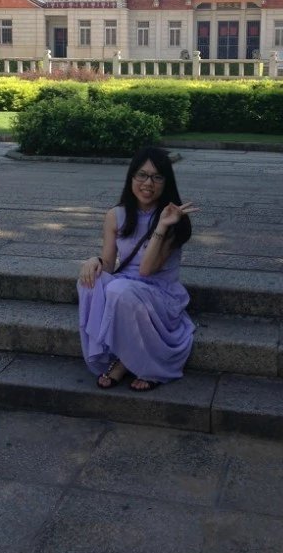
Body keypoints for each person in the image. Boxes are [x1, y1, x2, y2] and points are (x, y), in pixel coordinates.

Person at [77, 146, 197, 392]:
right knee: (90, 282)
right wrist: (93, 260)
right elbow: (108, 264)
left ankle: (143, 364)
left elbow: (146, 270)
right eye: (142, 175)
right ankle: (113, 352)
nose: (148, 183)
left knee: (119, 291)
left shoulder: (175, 219)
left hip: (159, 293)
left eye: (157, 177)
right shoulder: (115, 215)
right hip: (125, 287)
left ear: (166, 182)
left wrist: (162, 225)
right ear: (131, 177)